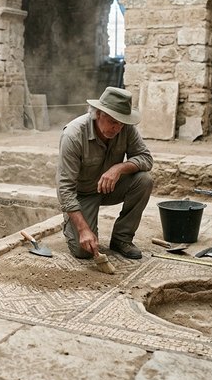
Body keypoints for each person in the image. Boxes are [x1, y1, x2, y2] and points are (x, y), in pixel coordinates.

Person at [56, 86, 154, 260]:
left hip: (110, 188)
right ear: (98, 113)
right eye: (112, 121)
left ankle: (121, 238)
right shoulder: (73, 135)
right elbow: (64, 188)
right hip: (82, 195)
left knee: (144, 180)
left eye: (121, 122)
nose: (117, 127)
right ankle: (70, 223)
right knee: (84, 251)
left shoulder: (126, 128)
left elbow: (146, 159)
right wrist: (83, 229)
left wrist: (119, 168)